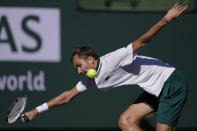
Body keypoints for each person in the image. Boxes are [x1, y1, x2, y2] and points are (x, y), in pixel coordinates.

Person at [22, 3, 188, 131]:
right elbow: (67, 96)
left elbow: (144, 40)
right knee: (126, 121)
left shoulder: (114, 59)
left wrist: (166, 19)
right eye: (76, 69)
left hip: (171, 84)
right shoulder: (91, 78)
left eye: (79, 65)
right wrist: (36, 111)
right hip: (155, 89)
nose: (79, 71)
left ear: (91, 59)